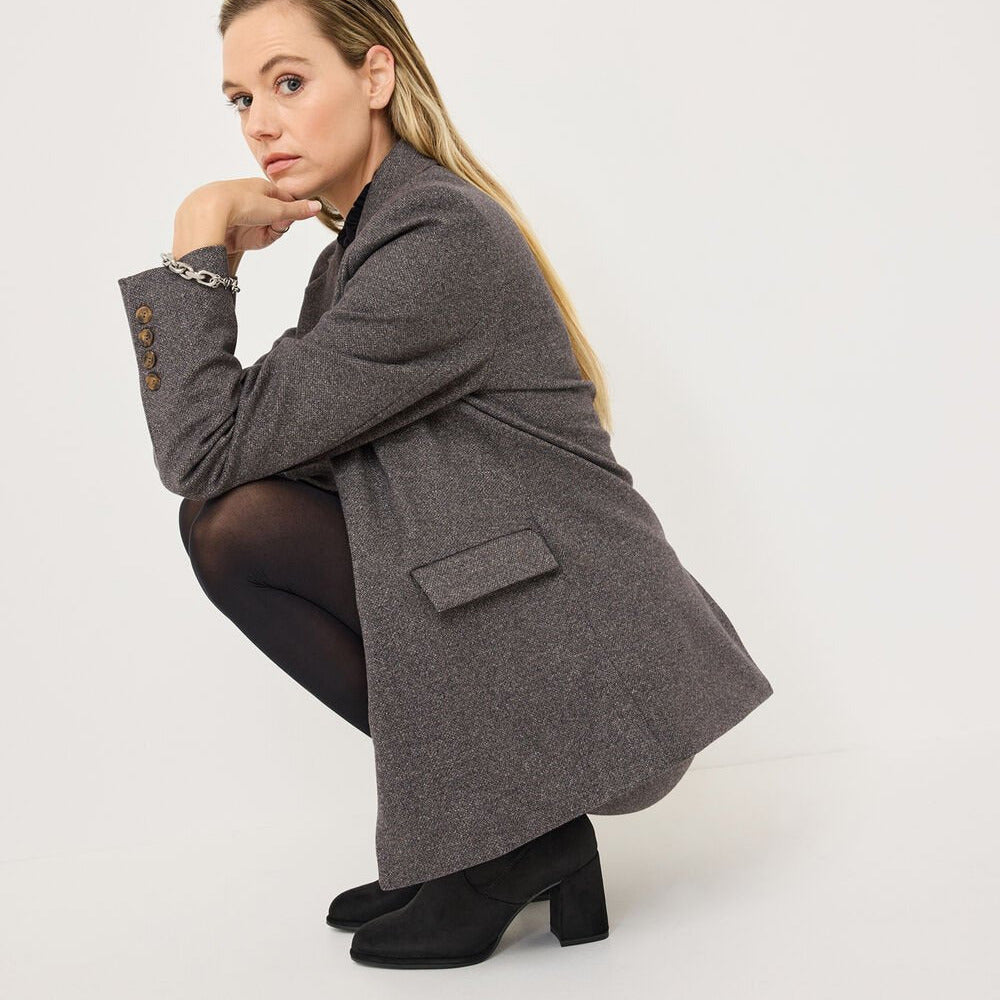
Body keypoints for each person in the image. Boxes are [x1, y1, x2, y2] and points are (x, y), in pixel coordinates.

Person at [117, 0, 774, 970]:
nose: (260, 122)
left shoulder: (432, 241)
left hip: (583, 640)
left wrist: (196, 241)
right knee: (230, 519)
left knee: (234, 526)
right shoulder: (363, 250)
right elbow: (254, 447)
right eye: (240, 97)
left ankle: (510, 833)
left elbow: (204, 450)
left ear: (375, 79)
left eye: (289, 83)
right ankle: (489, 827)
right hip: (507, 598)